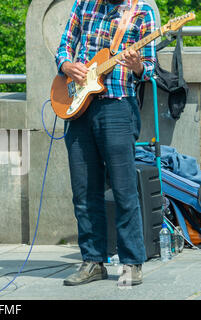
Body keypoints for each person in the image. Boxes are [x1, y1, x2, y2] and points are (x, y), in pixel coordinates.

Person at [55, 0, 156, 286]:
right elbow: (64, 44)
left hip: (117, 107)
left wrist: (138, 66)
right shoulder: (83, 4)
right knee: (84, 190)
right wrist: (66, 65)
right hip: (79, 106)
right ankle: (92, 261)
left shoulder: (142, 12)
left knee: (124, 189)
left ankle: (132, 263)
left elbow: (149, 68)